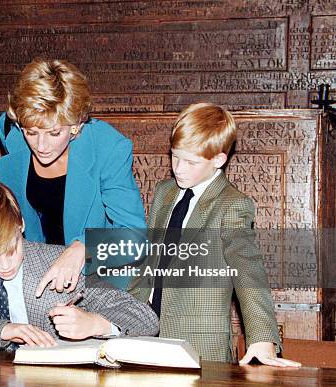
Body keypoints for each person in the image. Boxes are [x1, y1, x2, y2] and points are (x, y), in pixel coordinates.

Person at [128, 103, 300, 367]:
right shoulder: (164, 191)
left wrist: (262, 338)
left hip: (199, 347)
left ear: (218, 160)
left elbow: (248, 270)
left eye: (191, 162)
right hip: (143, 334)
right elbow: (149, 262)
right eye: (175, 156)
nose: (179, 169)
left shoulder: (232, 205)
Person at [0, 182, 158, 353]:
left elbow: (146, 318)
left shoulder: (57, 263)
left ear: (21, 225)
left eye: (11, 249)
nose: (4, 265)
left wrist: (97, 324)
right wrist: (3, 330)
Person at [0, 59, 146, 296]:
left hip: (99, 280)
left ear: (76, 125)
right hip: (38, 277)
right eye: (31, 132)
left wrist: (83, 249)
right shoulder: (12, 136)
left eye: (54, 133)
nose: (41, 145)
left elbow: (134, 235)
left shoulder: (107, 148)